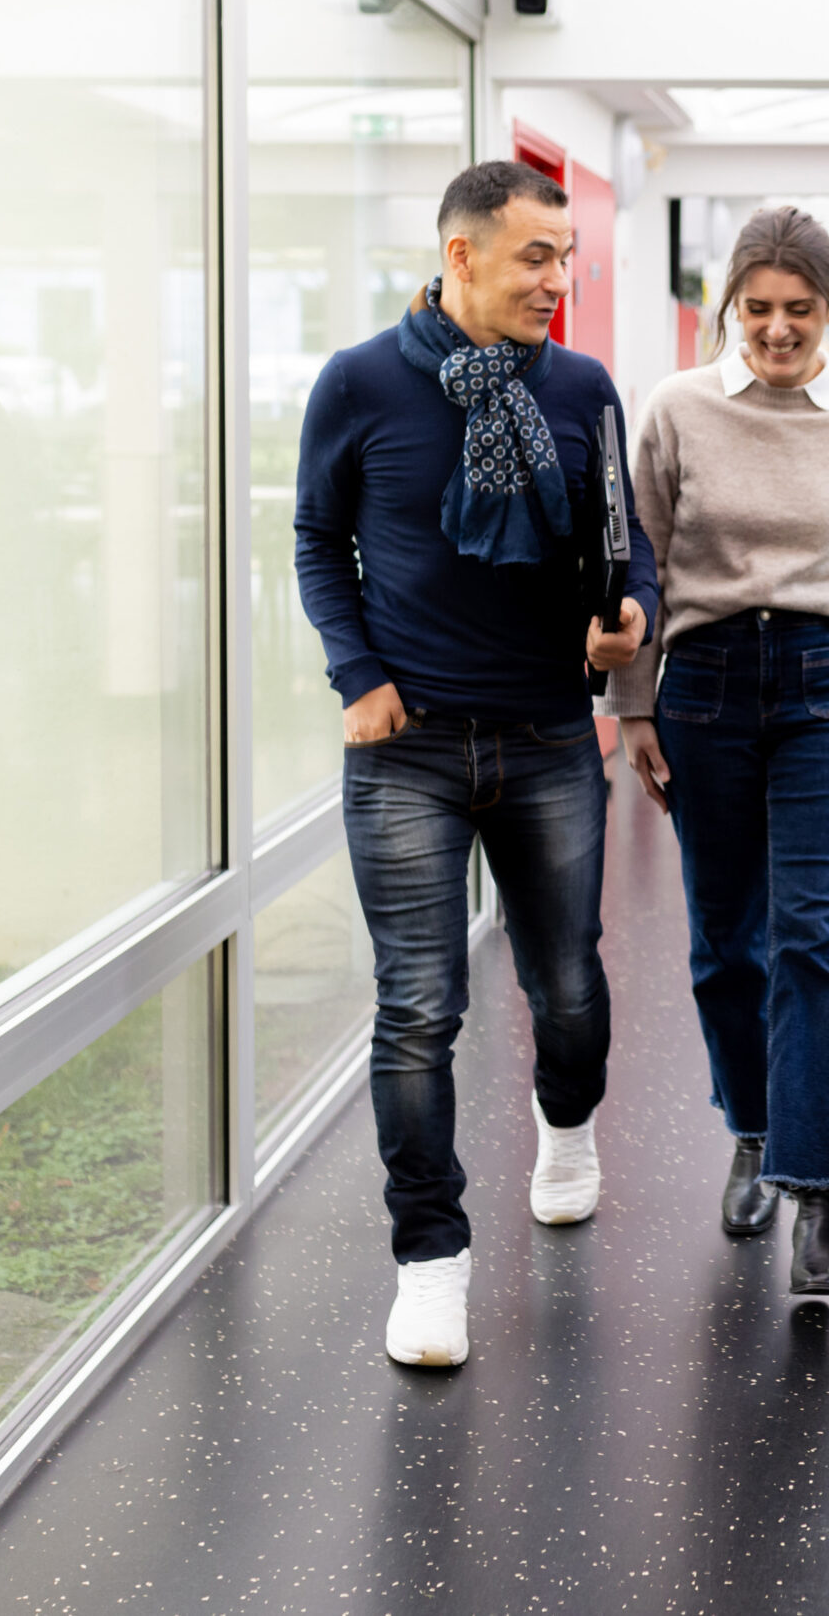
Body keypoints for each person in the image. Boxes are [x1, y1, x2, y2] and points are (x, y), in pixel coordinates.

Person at [294, 160, 656, 1370]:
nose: (557, 280)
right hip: (409, 748)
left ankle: (567, 1127)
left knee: (566, 991)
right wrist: (359, 676)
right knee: (418, 1010)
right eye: (534, 258)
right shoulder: (359, 384)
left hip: (552, 735)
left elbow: (626, 545)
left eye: (565, 258)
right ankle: (430, 1257)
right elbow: (316, 539)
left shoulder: (583, 389)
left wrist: (630, 617)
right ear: (461, 256)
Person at [606, 207, 829, 1293]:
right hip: (705, 690)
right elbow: (638, 562)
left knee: (817, 941)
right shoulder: (677, 409)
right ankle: (753, 1131)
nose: (775, 331)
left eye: (798, 311)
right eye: (755, 310)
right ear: (727, 309)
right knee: (727, 942)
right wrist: (632, 708)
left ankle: (818, 1197)